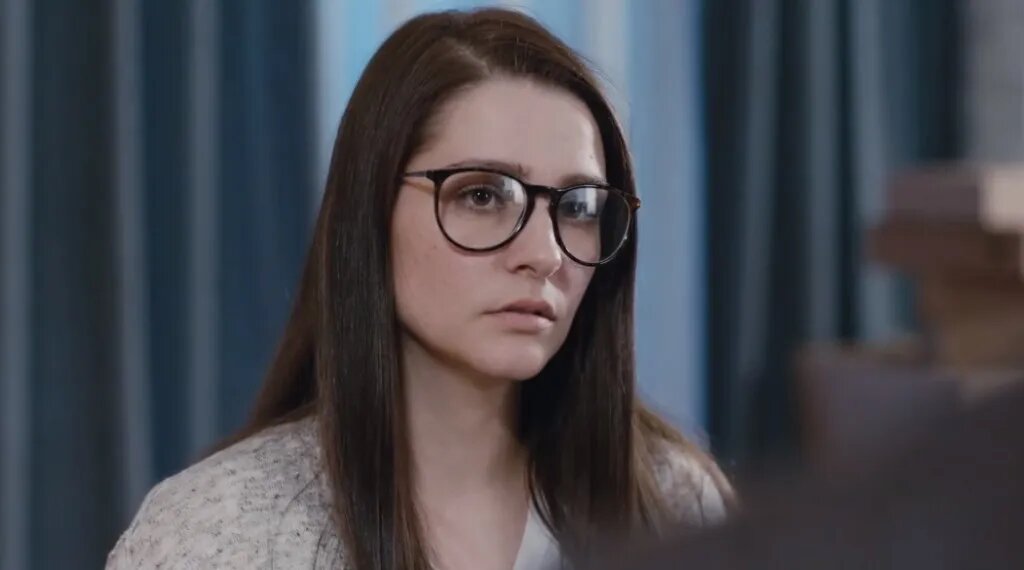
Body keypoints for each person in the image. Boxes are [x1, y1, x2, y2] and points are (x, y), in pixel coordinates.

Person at [106, 8, 732, 570]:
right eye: (482, 195)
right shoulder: (219, 534)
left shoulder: (676, 503)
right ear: (371, 214)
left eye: (578, 206)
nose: (544, 255)